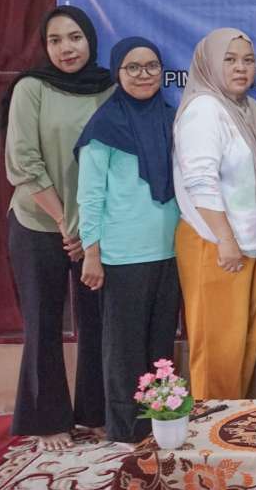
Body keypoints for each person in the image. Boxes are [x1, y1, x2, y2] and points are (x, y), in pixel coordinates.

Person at [2, 6, 114, 451]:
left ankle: (97, 412)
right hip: (38, 223)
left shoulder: (109, 87)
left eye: (75, 37)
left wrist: (88, 229)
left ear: (90, 40)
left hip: (95, 229)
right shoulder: (32, 88)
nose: (67, 48)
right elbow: (23, 162)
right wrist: (66, 222)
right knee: (43, 319)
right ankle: (47, 419)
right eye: (55, 40)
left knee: (98, 320)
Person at [75, 37, 181, 443]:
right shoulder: (104, 126)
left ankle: (159, 424)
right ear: (117, 72)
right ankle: (124, 431)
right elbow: (90, 194)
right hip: (122, 255)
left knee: (160, 346)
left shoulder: (170, 118)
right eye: (133, 67)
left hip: (169, 250)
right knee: (124, 350)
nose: (144, 75)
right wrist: (91, 252)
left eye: (152, 66)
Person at [172, 28, 256, 400]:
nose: (241, 68)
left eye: (248, 60)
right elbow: (200, 181)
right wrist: (226, 239)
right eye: (229, 60)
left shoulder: (248, 110)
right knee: (217, 354)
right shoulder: (204, 109)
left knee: (242, 349)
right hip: (214, 244)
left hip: (250, 243)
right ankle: (209, 428)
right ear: (210, 64)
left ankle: (233, 425)